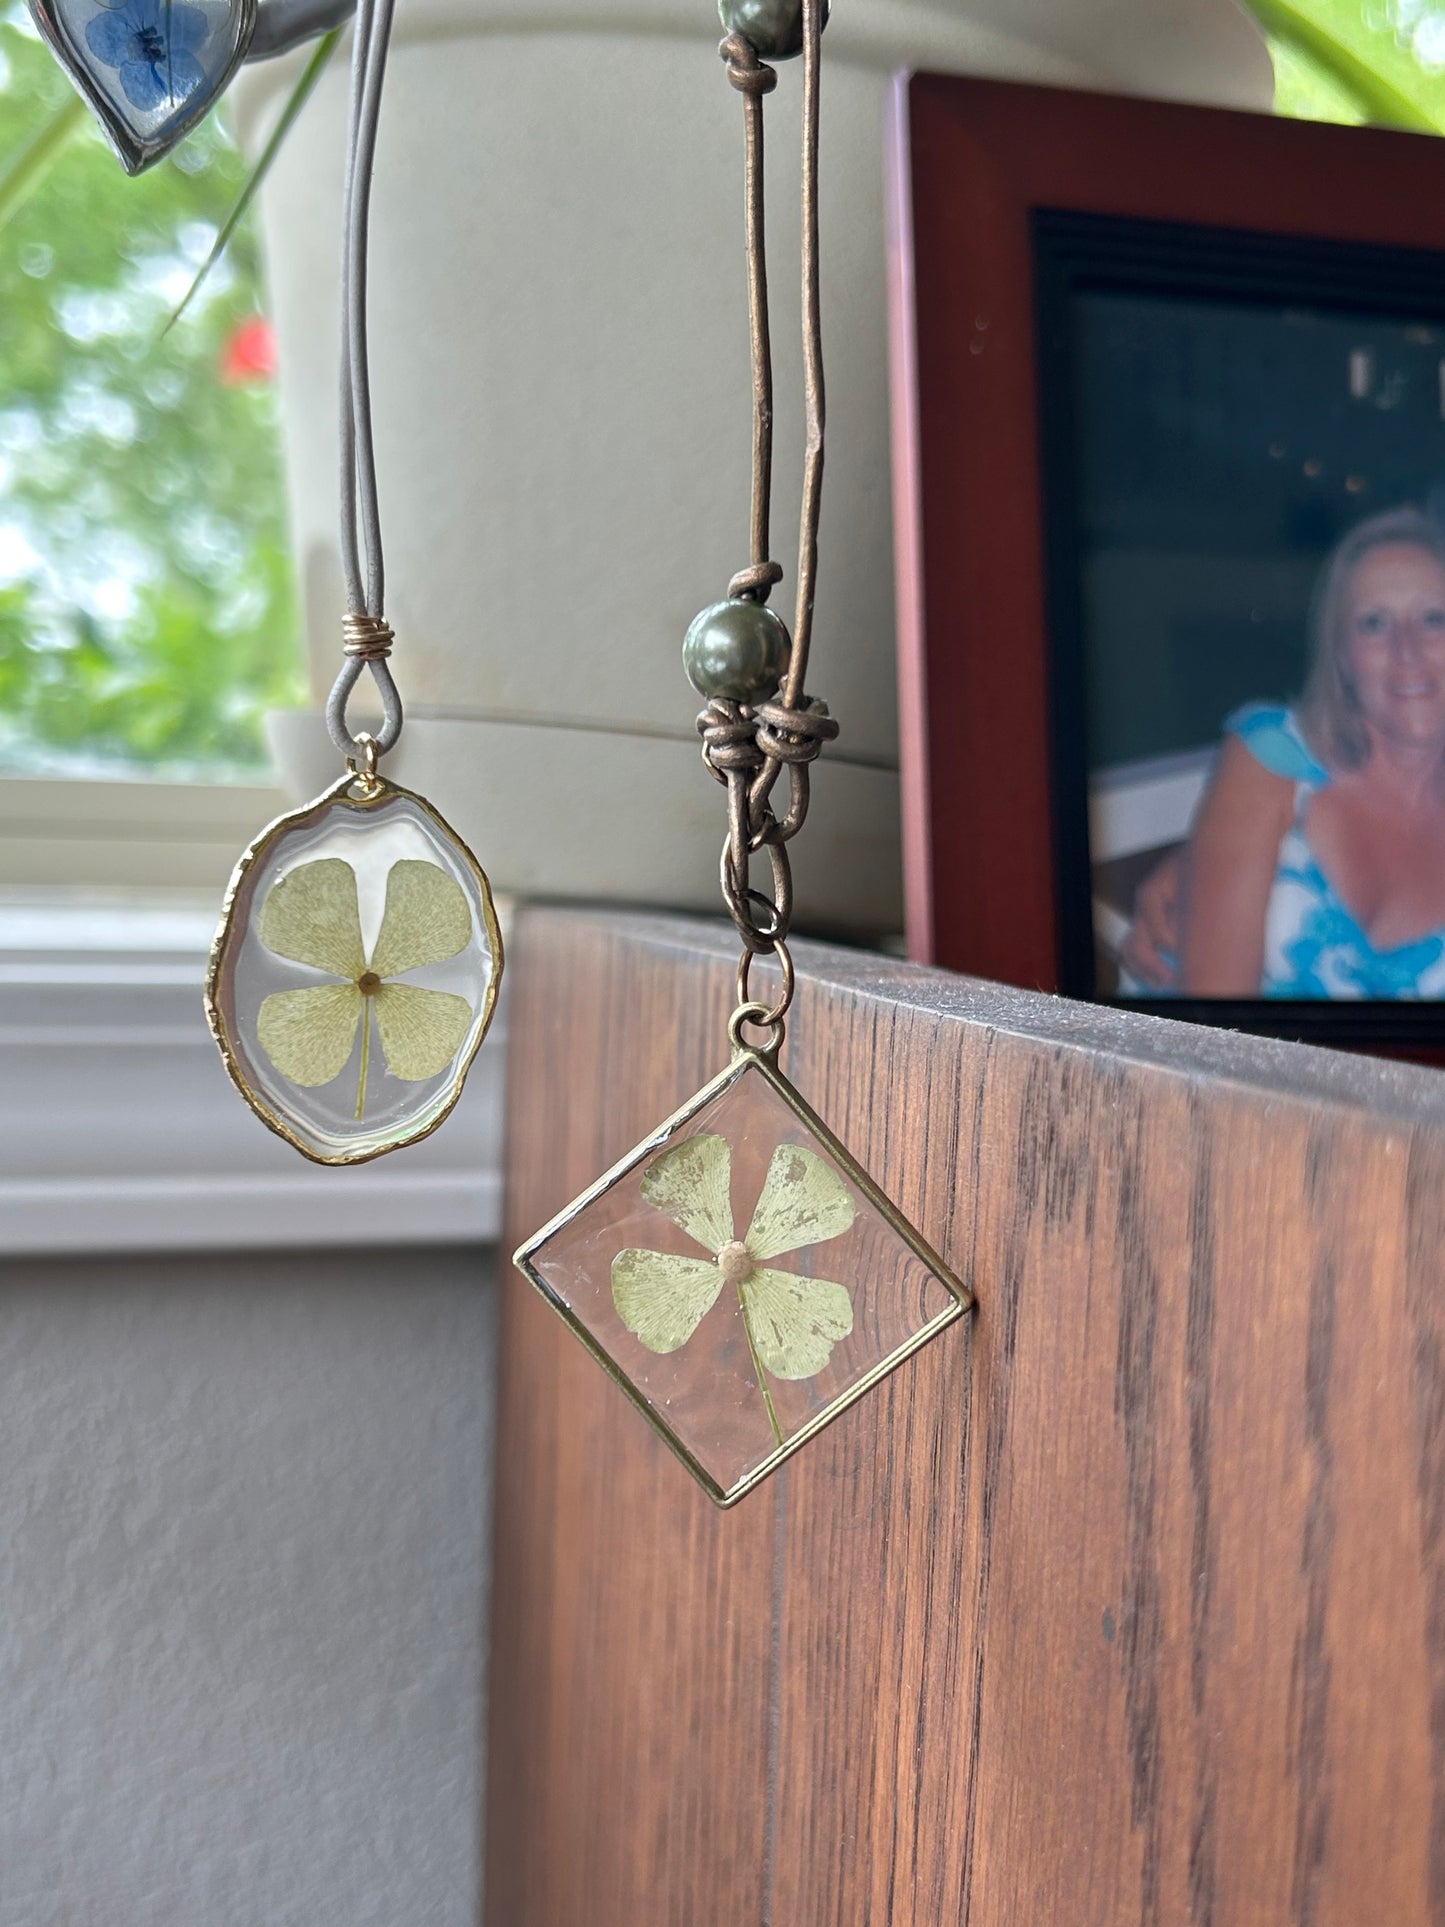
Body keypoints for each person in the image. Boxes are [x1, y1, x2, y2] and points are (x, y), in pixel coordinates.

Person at [1121, 505, 1445, 999]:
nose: (1408, 651)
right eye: (1374, 624)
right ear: (1341, 656)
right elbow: (1216, 1032)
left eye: (1433, 618)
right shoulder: (1271, 757)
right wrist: (1206, 853)